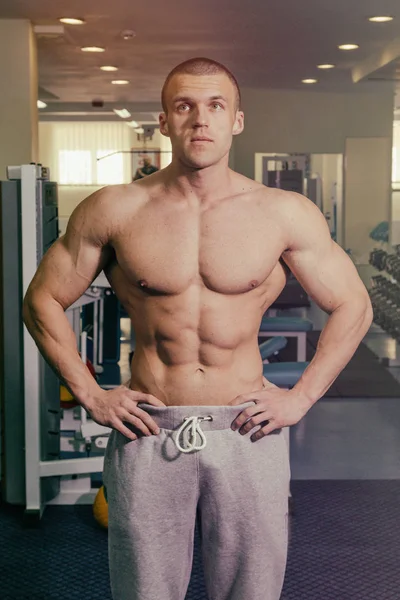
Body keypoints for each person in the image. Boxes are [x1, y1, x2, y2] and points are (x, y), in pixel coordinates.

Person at [23, 57, 373, 600]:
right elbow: (42, 299)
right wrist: (91, 395)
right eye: (184, 106)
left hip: (247, 428)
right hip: (149, 427)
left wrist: (301, 398)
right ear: (164, 120)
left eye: (215, 106)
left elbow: (353, 304)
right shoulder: (114, 208)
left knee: (251, 589)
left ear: (236, 120)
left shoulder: (283, 212)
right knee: (144, 590)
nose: (200, 120)